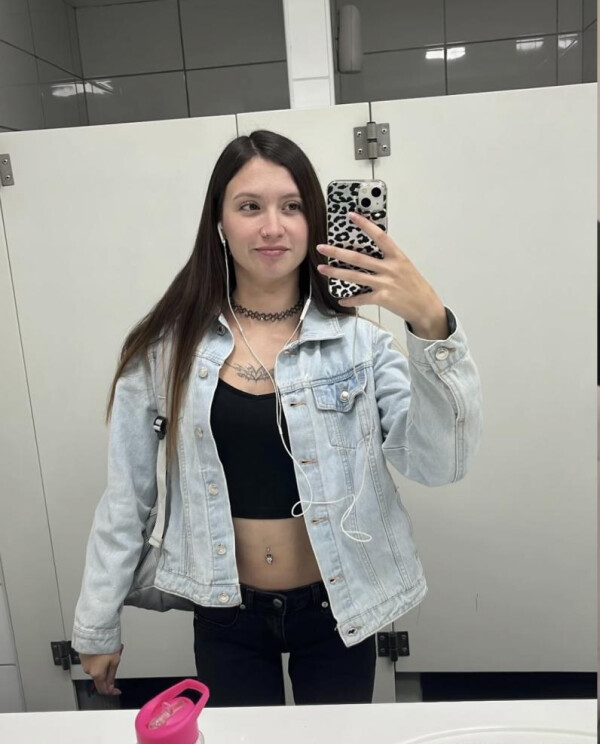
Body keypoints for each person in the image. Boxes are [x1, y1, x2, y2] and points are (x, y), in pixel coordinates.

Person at [72, 130, 483, 707]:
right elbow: (126, 497)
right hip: (226, 610)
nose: (272, 227)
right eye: (250, 207)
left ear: (314, 221)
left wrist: (430, 324)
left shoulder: (362, 345)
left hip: (339, 606)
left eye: (292, 207)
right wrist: (97, 621)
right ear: (219, 222)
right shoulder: (168, 351)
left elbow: (440, 466)